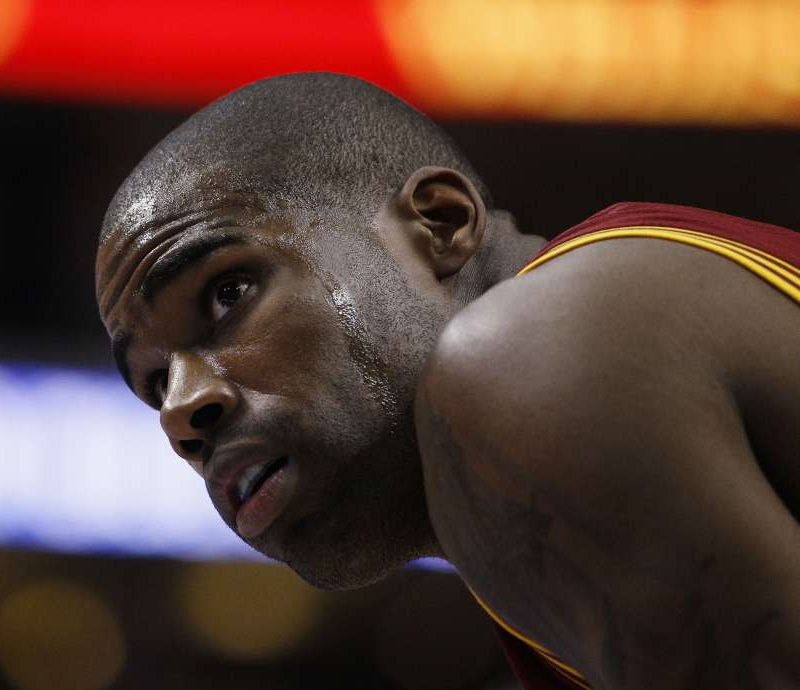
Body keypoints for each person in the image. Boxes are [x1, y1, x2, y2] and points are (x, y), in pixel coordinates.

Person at [93, 72, 800, 690]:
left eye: (227, 294)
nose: (181, 413)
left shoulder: (530, 360)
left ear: (440, 223)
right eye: (154, 383)